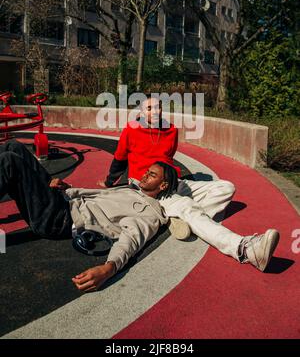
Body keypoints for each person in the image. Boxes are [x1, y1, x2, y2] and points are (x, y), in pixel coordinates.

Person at [0, 140, 280, 293]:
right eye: (148, 171)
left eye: (153, 174)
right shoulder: (132, 188)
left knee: (10, 162)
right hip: (63, 199)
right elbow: (101, 198)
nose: (145, 173)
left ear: (162, 187)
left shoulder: (147, 210)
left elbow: (131, 240)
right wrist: (69, 188)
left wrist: (109, 268)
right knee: (14, 147)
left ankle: (245, 249)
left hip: (57, 217)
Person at [99, 95, 236, 240]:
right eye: (150, 108)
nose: (155, 111)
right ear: (142, 112)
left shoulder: (171, 130)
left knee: (227, 188)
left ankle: (184, 219)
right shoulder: (131, 129)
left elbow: (169, 157)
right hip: (148, 187)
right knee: (187, 204)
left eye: (158, 107)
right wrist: (109, 181)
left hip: (172, 182)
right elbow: (120, 158)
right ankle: (194, 220)